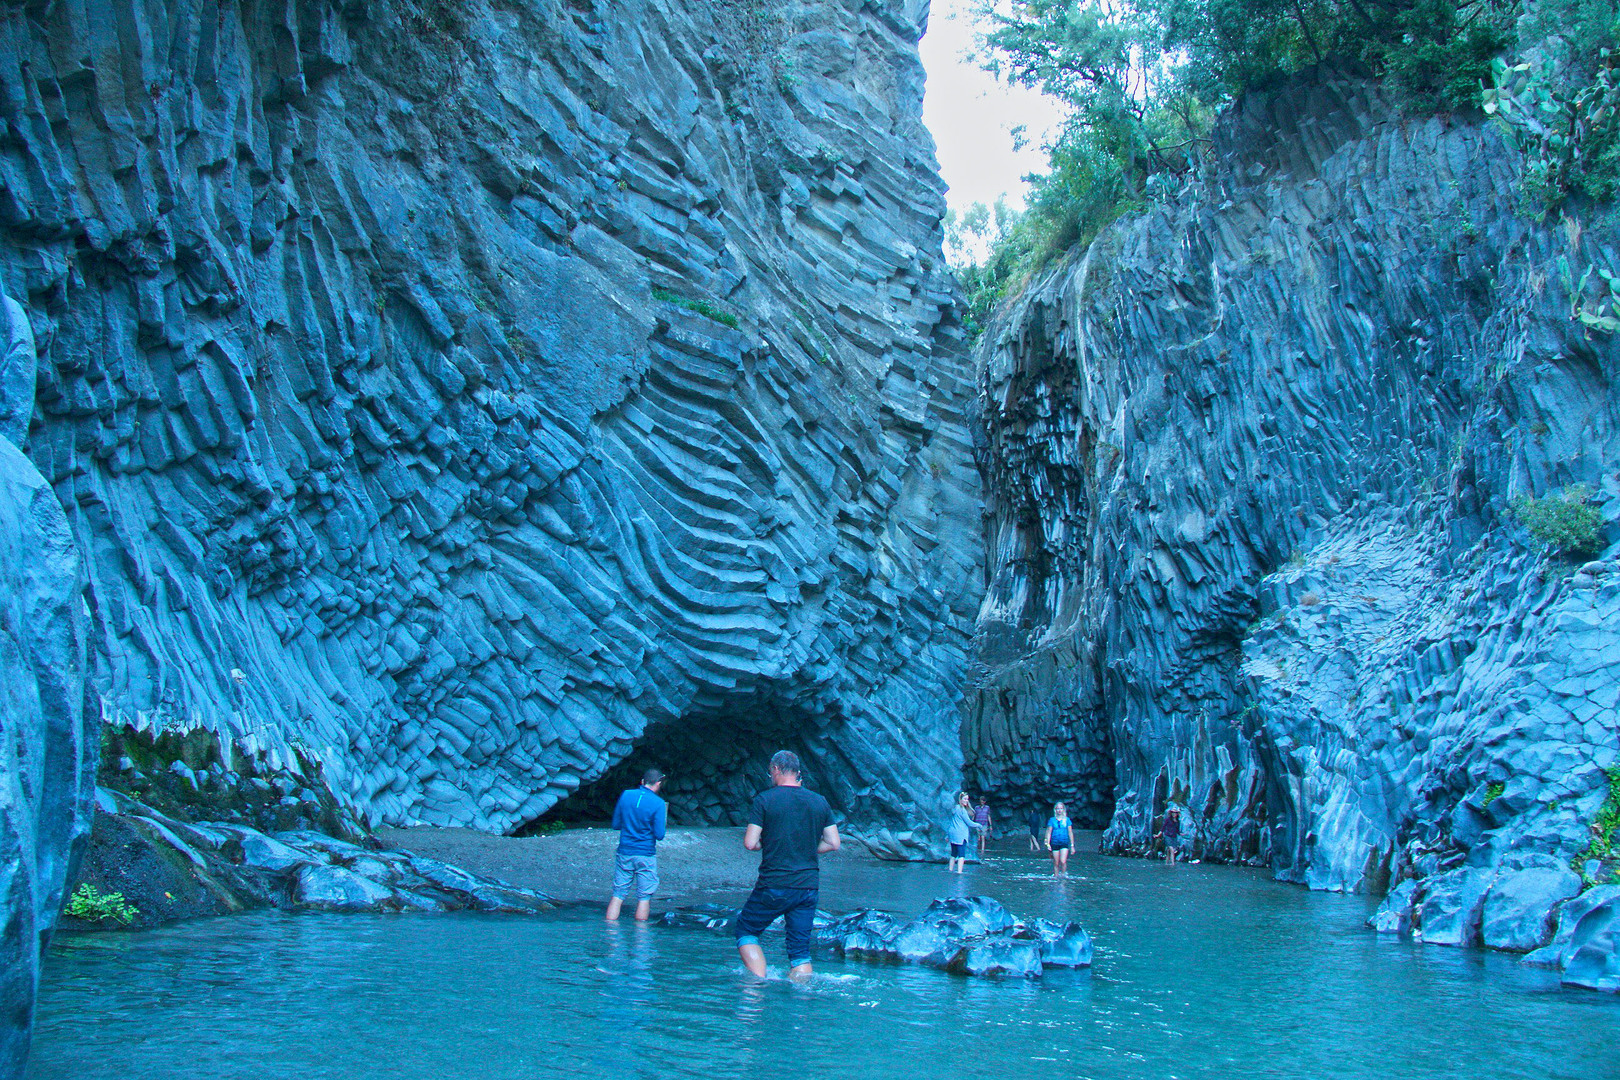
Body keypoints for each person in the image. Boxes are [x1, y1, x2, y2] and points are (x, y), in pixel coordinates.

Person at [732, 750, 840, 980]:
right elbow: (833, 842)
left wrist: (769, 843)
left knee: (746, 931)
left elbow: (750, 843)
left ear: (776, 769)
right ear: (797, 771)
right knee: (800, 952)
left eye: (770, 771)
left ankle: (757, 985)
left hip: (774, 883)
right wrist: (807, 847)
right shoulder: (819, 801)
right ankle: (801, 1006)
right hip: (808, 886)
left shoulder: (765, 800)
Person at [605, 768, 667, 922]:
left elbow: (616, 824)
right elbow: (660, 835)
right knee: (644, 897)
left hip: (625, 851)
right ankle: (640, 938)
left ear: (642, 781)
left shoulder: (626, 795)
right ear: (658, 783)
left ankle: (610, 935)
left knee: (618, 894)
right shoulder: (658, 803)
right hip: (645, 853)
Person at [945, 791, 983, 873]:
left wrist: (947, 835)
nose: (966, 801)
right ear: (960, 799)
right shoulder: (962, 811)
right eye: (965, 799)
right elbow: (969, 823)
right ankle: (959, 872)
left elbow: (951, 823)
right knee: (961, 855)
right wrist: (979, 825)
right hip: (960, 835)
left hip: (953, 834)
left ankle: (950, 870)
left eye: (967, 799)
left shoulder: (955, 808)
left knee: (953, 854)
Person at [1043, 800, 1074, 876]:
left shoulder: (1067, 820)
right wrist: (1047, 843)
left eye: (1061, 808)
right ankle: (1056, 877)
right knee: (1056, 863)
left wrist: (1072, 845)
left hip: (1064, 842)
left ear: (1063, 810)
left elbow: (1070, 832)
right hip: (1055, 842)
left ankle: (1063, 875)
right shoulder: (1052, 820)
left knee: (1063, 861)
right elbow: (1048, 832)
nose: (1059, 810)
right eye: (1058, 809)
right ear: (1055, 810)